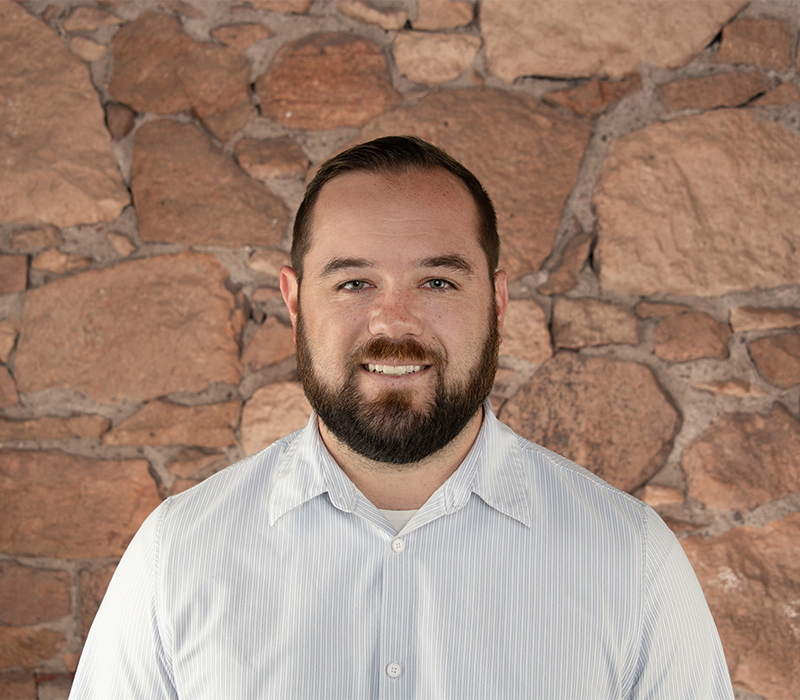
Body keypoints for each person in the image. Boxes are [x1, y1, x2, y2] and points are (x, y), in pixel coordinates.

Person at [70, 136, 734, 699]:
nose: (394, 323)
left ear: (497, 302)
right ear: (294, 302)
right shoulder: (178, 555)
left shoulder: (630, 559)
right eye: (354, 283)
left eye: (437, 282)